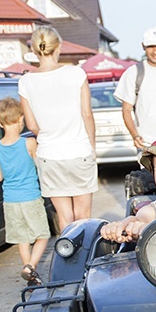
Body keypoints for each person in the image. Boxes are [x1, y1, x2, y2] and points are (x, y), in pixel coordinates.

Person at [19, 26, 98, 233]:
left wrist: (48, 136)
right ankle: (84, 262)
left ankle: (69, 260)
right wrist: (92, 146)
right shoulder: (76, 73)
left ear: (34, 50)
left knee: (65, 217)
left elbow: (32, 125)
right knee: (83, 216)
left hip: (49, 154)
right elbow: (87, 114)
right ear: (59, 47)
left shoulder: (26, 81)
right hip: (79, 150)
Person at [0, 97, 50, 286]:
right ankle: (30, 267)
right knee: (42, 235)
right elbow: (39, 165)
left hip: (10, 199)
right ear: (21, 120)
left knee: (22, 239)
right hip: (30, 196)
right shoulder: (29, 143)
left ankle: (31, 278)